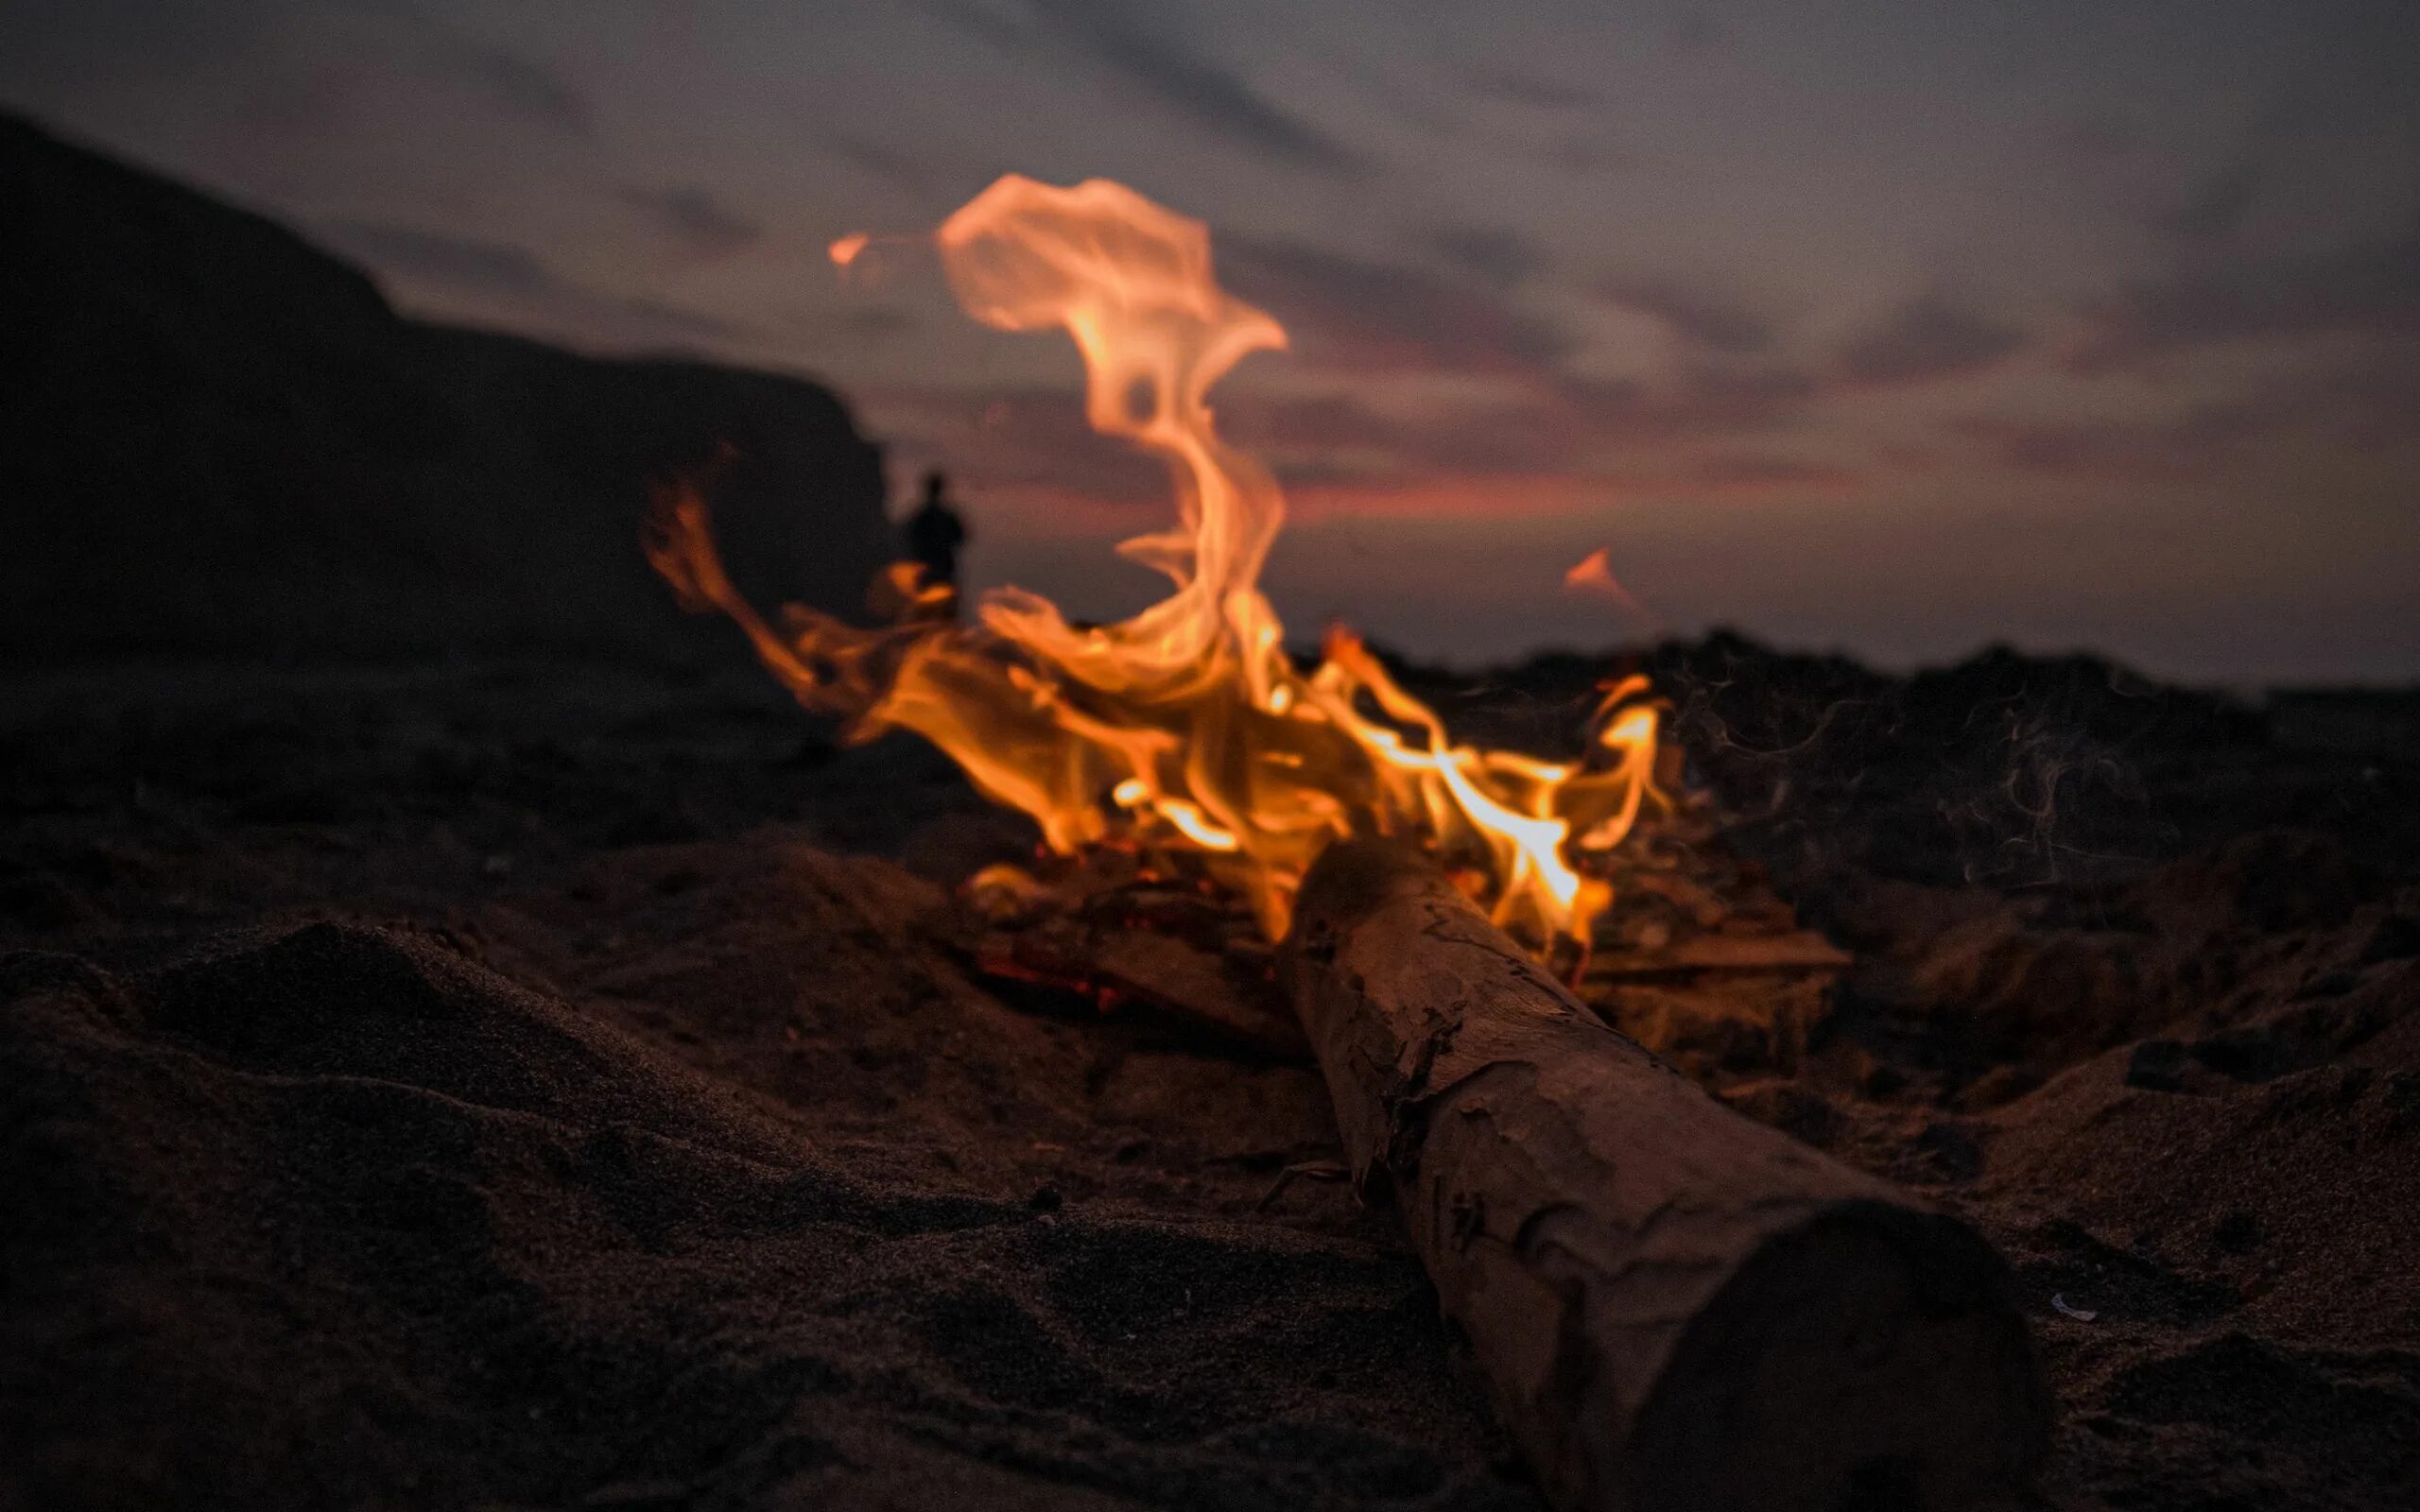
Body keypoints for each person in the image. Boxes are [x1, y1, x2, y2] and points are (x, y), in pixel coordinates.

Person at [902, 470, 968, 606]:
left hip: (929, 571)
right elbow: (960, 537)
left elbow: (909, 539)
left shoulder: (921, 516)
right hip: (941, 570)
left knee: (928, 608)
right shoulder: (946, 516)